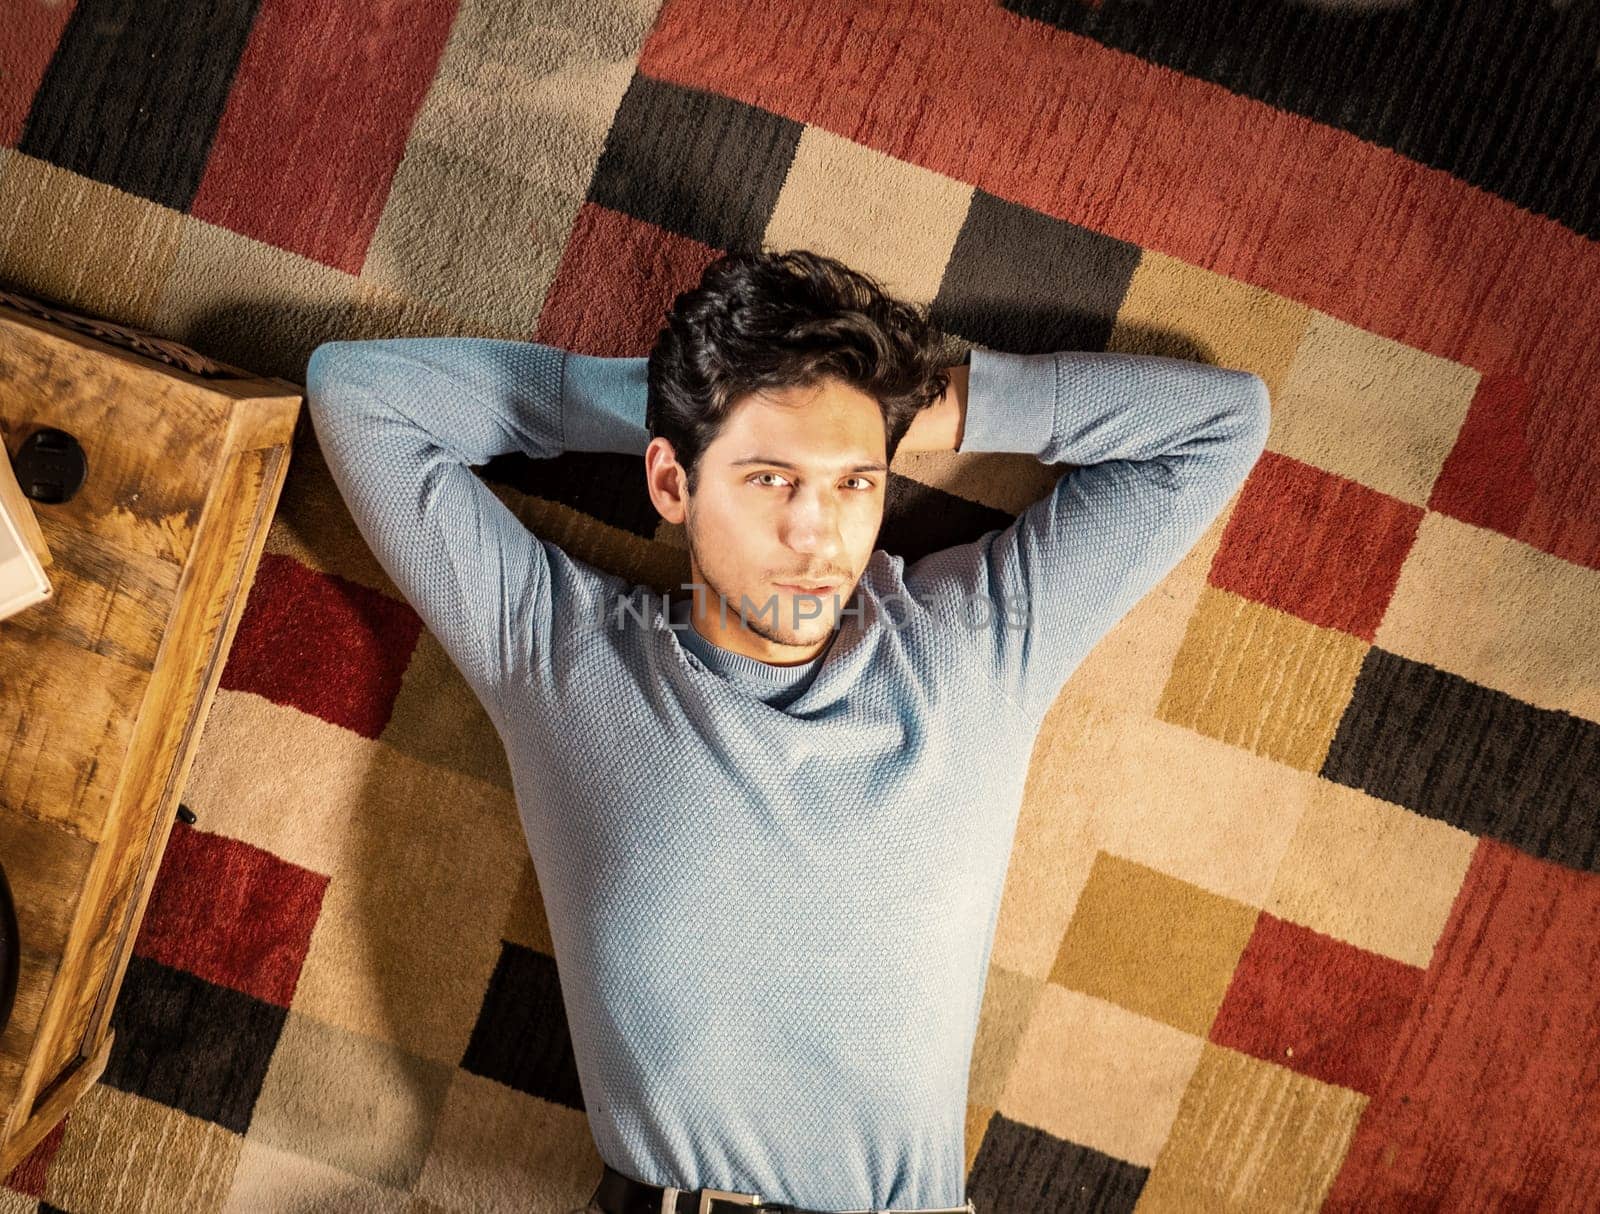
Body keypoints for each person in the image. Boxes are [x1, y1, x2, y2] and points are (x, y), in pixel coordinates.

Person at [303, 248, 1271, 1214]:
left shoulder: (975, 647)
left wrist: (916, 410)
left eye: (856, 483)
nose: (818, 531)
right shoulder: (565, 658)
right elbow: (357, 395)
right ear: (672, 485)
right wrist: (690, 412)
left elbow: (1222, 424)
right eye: (770, 478)